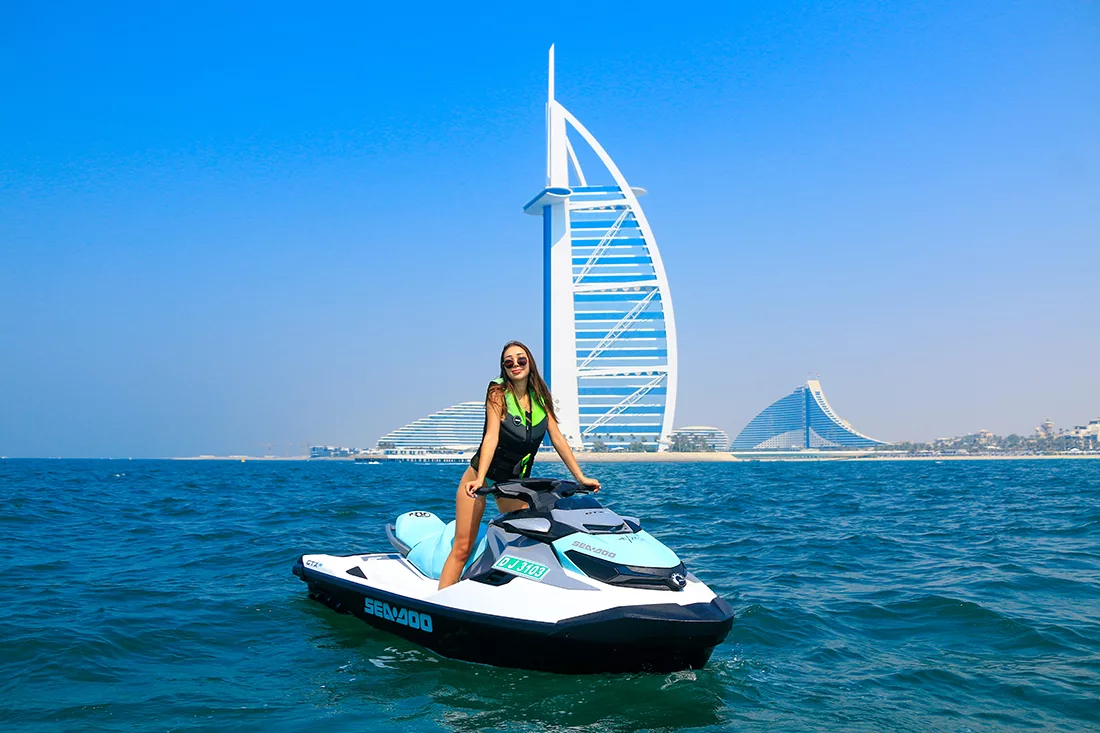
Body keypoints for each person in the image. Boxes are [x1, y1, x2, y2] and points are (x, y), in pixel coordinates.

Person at [437, 340, 600, 589]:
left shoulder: (540, 398)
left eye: (520, 359)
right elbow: (491, 437)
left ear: (529, 362)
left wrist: (581, 478)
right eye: (509, 362)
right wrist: (480, 479)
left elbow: (557, 438)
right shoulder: (497, 392)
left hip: (512, 485)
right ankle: (443, 603)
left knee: (532, 540)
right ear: (504, 367)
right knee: (462, 548)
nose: (515, 365)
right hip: (480, 479)